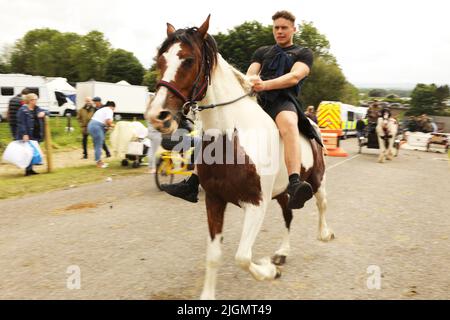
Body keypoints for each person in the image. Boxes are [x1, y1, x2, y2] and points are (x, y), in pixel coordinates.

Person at [161, 10, 321, 209]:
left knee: (289, 123)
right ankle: (193, 182)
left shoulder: (303, 53)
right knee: (215, 123)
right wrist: (251, 80)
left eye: (284, 28)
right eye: (276, 28)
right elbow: (250, 73)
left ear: (294, 29)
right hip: (256, 99)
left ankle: (294, 182)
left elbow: (295, 77)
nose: (279, 31)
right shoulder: (262, 52)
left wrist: (266, 84)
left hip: (282, 100)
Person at [15, 93, 48, 176]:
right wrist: (24, 134)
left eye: (36, 99)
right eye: (34, 100)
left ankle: (31, 169)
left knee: (33, 153)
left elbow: (47, 111)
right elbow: (21, 123)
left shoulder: (37, 108)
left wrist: (44, 113)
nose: (36, 101)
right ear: (29, 100)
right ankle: (28, 170)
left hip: (36, 134)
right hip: (28, 134)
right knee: (28, 152)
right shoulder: (23, 110)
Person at [87, 101, 116, 168]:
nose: (114, 110)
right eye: (114, 109)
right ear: (112, 107)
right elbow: (108, 121)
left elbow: (105, 123)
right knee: (99, 145)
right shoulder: (109, 110)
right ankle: (99, 163)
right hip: (97, 127)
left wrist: (108, 126)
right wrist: (113, 125)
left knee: (97, 144)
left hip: (91, 125)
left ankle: (99, 160)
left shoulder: (102, 109)